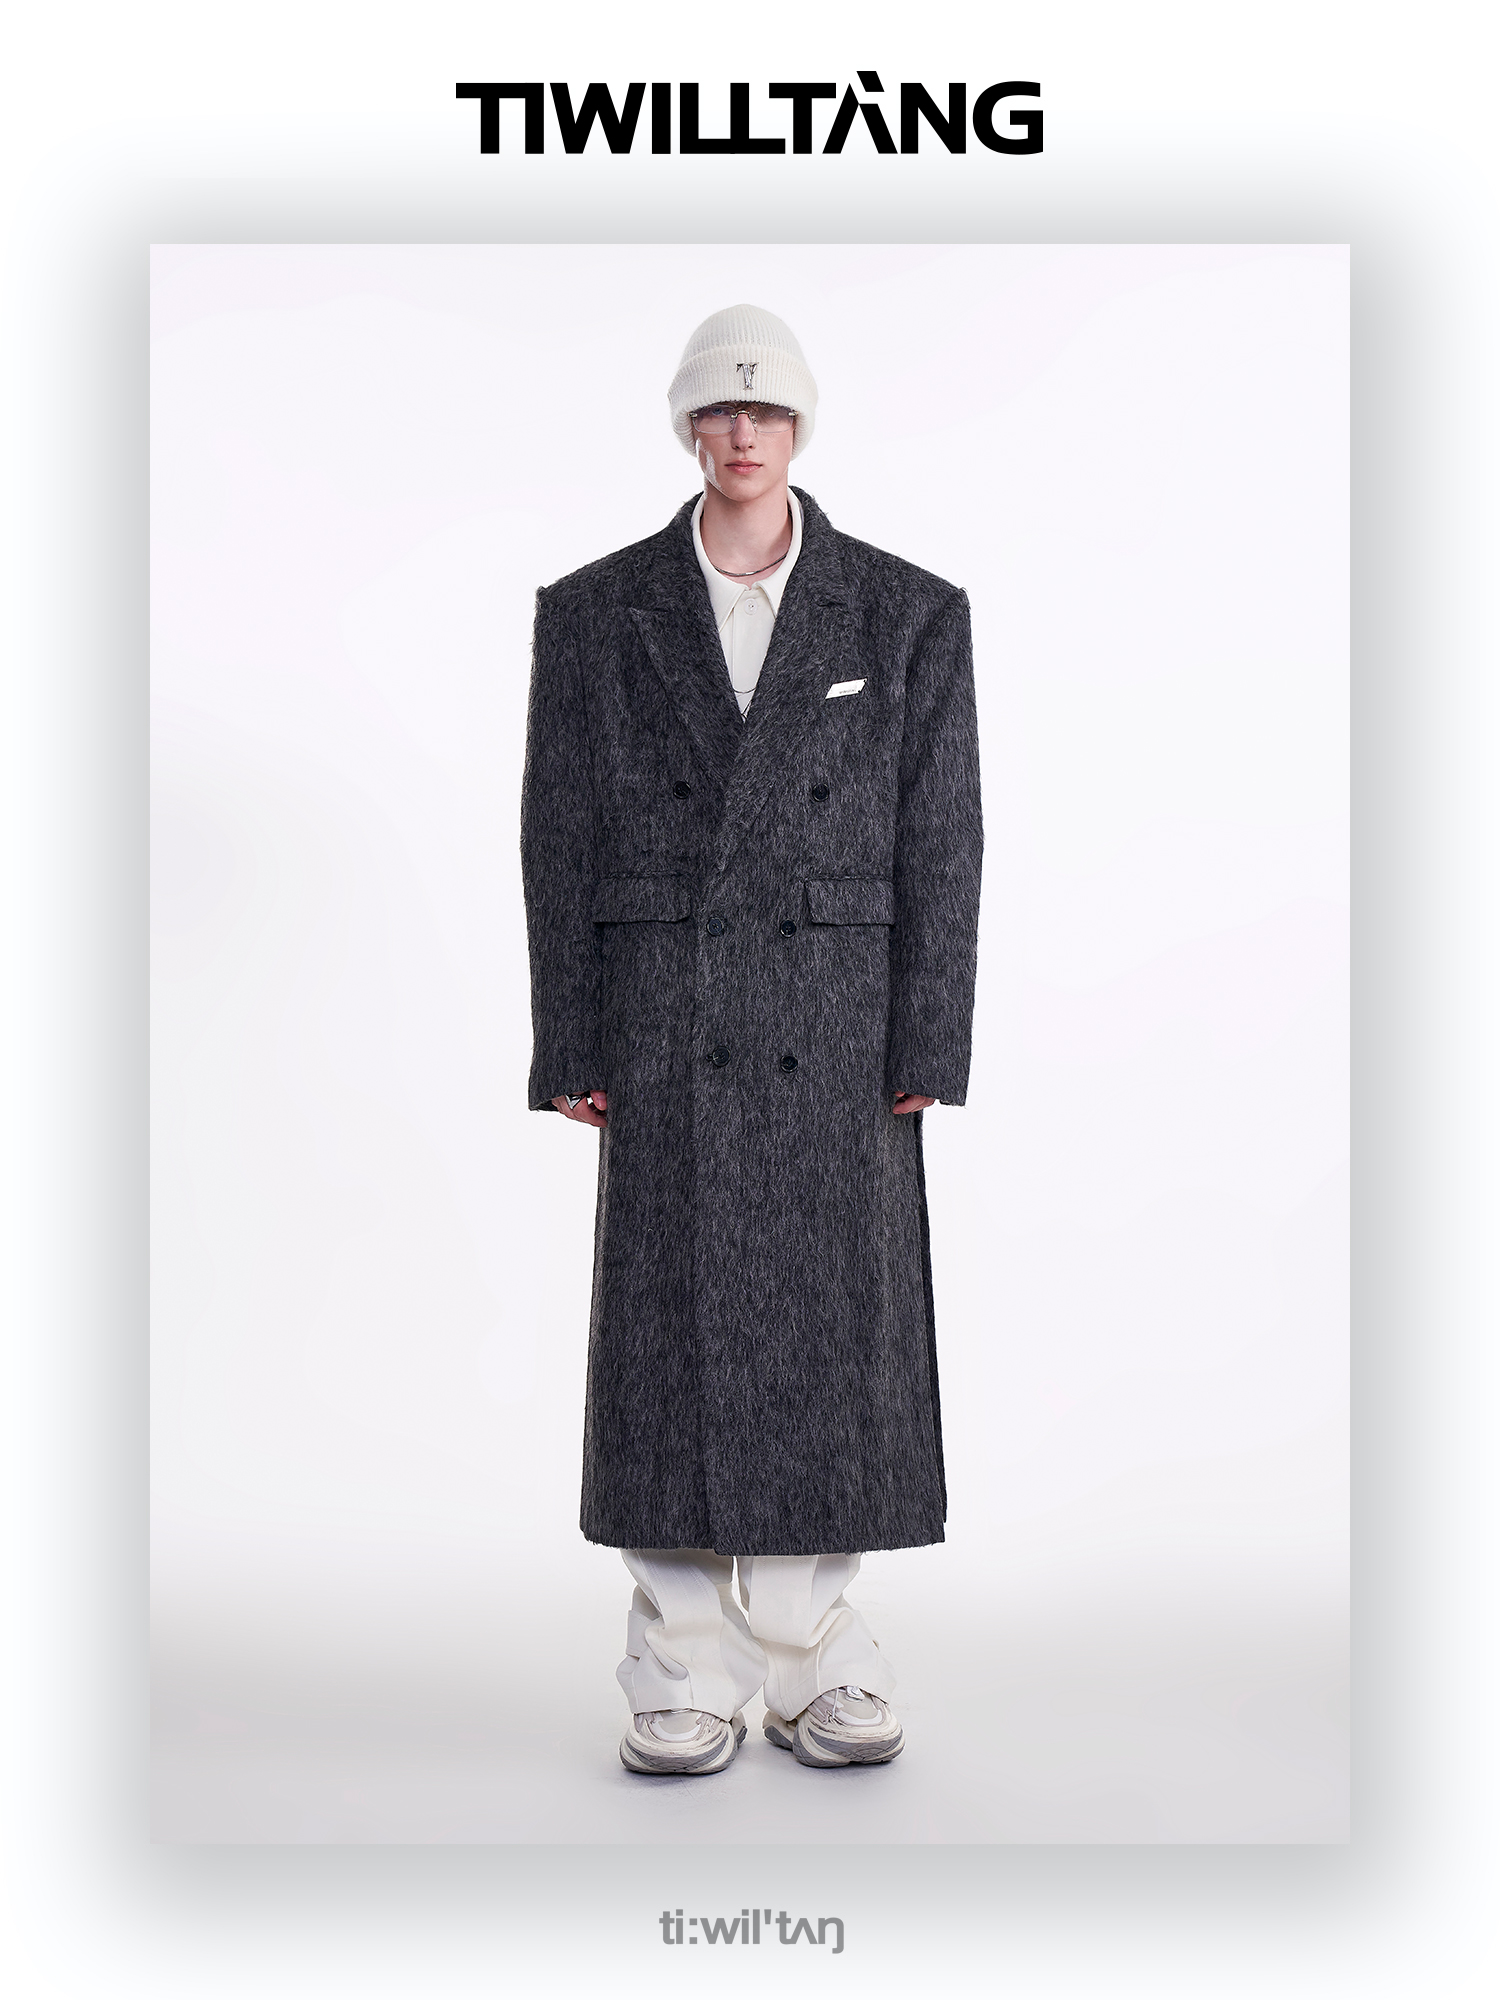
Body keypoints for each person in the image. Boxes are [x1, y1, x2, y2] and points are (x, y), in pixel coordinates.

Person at [520, 304, 982, 1775]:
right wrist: (568, 1035)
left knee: (828, 1336)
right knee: (664, 1332)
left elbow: (943, 840)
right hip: (664, 1012)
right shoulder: (595, 612)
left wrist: (929, 1035)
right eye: (718, 411)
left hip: (835, 1027)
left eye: (766, 410)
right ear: (686, 427)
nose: (741, 433)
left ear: (799, 428)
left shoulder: (906, 612)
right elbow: (558, 837)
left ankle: (811, 1650)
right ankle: (676, 1659)